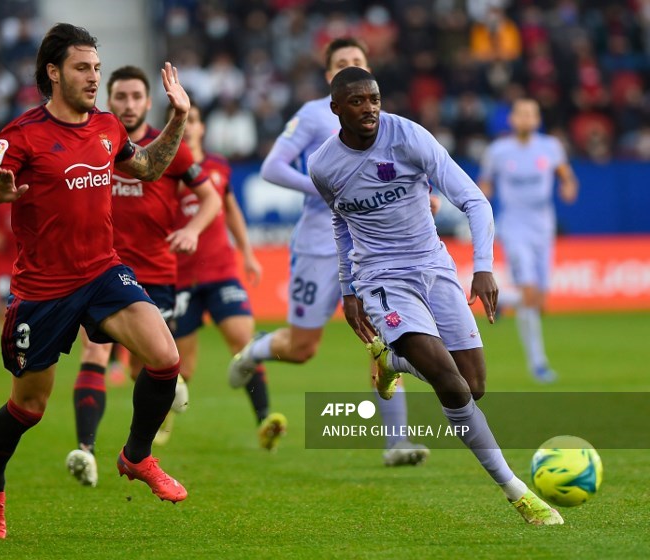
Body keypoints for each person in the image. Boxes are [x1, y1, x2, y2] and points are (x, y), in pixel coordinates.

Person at [0, 23, 193, 539]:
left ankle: (136, 456)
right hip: (42, 292)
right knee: (28, 407)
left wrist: (178, 117)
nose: (93, 78)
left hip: (103, 272)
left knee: (165, 358)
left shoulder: (108, 126)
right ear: (53, 72)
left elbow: (151, 167)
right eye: (83, 68)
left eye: (96, 68)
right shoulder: (18, 137)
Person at [308, 66, 563, 526]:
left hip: (435, 267)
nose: (370, 108)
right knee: (449, 383)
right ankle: (518, 493)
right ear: (337, 109)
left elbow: (476, 201)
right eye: (358, 101)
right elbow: (341, 225)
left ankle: (392, 361)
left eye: (375, 98)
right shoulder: (324, 165)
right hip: (381, 279)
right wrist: (349, 290)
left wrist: (482, 267)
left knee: (474, 386)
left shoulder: (410, 138)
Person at [229, 38, 428, 467]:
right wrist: (323, 189)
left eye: (358, 61)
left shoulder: (385, 122)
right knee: (302, 349)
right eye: (342, 63)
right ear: (328, 76)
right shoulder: (314, 115)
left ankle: (397, 443)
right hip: (319, 245)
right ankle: (255, 351)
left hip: (373, 249)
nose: (351, 66)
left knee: (386, 339)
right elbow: (272, 167)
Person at [66, 65, 221, 487]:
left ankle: (143, 437)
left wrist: (191, 229)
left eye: (137, 97)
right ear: (108, 100)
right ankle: (85, 450)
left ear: (148, 102)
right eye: (121, 97)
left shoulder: (169, 149)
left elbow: (212, 199)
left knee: (149, 366)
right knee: (94, 354)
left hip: (155, 275)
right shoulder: (94, 143)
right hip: (101, 271)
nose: (129, 104)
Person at [171, 100, 286, 450]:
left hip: (220, 270)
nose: (188, 126)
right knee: (183, 367)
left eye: (193, 120)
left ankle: (265, 418)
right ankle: (161, 417)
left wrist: (248, 254)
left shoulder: (218, 165)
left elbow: (231, 210)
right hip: (180, 277)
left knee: (243, 343)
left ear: (202, 127)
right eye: (180, 121)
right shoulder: (163, 169)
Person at [478, 98, 578, 383]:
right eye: (520, 114)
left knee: (540, 302)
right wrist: (478, 201)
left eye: (531, 114)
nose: (525, 119)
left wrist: (569, 187)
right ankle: (538, 364)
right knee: (531, 295)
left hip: (543, 228)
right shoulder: (498, 151)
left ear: (537, 119)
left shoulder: (551, 147)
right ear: (512, 120)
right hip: (514, 227)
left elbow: (566, 176)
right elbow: (485, 184)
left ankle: (501, 300)